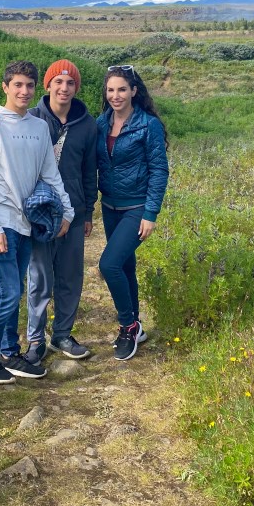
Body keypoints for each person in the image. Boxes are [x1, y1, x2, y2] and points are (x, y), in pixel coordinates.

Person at [0, 59, 98, 362]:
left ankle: (52, 339)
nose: (64, 88)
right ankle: (22, 345)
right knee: (27, 284)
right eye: (58, 81)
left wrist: (79, 212)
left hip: (58, 215)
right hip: (24, 218)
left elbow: (79, 170)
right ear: (49, 85)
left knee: (64, 278)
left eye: (70, 83)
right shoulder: (17, 120)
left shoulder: (80, 124)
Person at [96, 64, 169, 361]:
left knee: (108, 265)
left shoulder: (147, 124)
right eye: (111, 90)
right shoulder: (101, 123)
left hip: (136, 207)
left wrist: (150, 213)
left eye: (122, 89)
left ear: (134, 91)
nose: (116, 95)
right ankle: (136, 326)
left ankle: (128, 324)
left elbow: (159, 170)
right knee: (125, 266)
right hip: (110, 206)